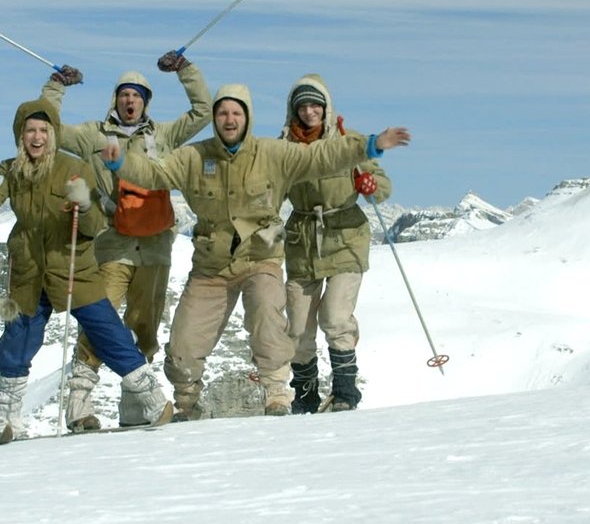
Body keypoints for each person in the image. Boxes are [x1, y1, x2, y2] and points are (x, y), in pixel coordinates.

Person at [100, 83, 411, 419]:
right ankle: (188, 403)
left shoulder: (272, 154)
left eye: (236, 112)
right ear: (215, 119)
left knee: (269, 319)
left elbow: (321, 156)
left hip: (260, 258)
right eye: (222, 113)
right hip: (211, 266)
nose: (229, 119)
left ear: (247, 117)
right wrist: (122, 165)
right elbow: (155, 172)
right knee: (183, 347)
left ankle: (278, 395)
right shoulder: (194, 156)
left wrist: (370, 145)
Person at [0, 98, 172, 442]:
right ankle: (8, 417)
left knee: (106, 329)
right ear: (20, 135)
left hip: (73, 265)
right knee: (18, 339)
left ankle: (150, 398)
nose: (37, 137)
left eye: (44, 130)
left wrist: (85, 203)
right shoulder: (8, 169)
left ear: (54, 134)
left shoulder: (74, 167)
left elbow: (93, 226)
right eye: (30, 130)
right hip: (30, 270)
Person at [40, 51, 210, 427]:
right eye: (124, 94)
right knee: (100, 320)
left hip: (155, 247)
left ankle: (136, 407)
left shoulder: (162, 135)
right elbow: (48, 128)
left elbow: (203, 112)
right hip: (112, 243)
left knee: (144, 323)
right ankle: (79, 405)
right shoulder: (93, 135)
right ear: (115, 100)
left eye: (137, 95)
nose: (130, 101)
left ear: (146, 102)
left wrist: (186, 71)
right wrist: (56, 87)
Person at [280, 75, 391, 413]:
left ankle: (345, 392)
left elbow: (382, 186)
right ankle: (306, 395)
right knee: (298, 326)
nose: (310, 111)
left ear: (326, 108)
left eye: (316, 105)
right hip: (303, 240)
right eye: (303, 105)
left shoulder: (349, 141)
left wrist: (370, 185)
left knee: (335, 315)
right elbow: (269, 189)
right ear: (293, 110)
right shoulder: (282, 147)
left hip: (345, 236)